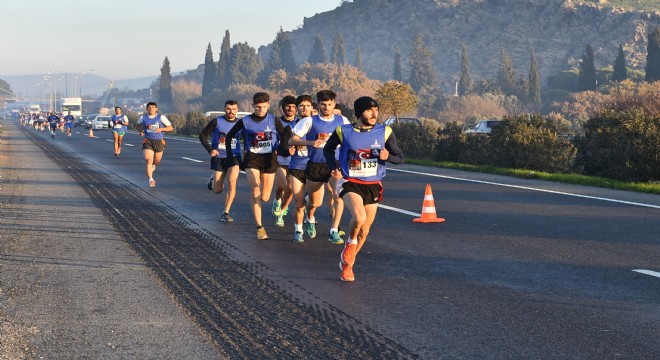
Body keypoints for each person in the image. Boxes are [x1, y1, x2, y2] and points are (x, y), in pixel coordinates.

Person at [324, 96, 403, 282]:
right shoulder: (344, 131)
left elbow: (399, 157)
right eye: (369, 110)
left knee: (364, 231)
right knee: (359, 217)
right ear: (359, 113)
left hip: (373, 184)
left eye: (376, 109)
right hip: (350, 181)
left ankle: (347, 264)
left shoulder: (385, 131)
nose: (374, 113)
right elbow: (328, 149)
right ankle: (349, 246)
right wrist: (332, 166)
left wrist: (388, 156)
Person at [290, 90, 350, 244]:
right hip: (315, 165)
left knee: (338, 196)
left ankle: (334, 231)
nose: (326, 107)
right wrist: (311, 143)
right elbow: (292, 140)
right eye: (323, 104)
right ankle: (310, 217)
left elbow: (352, 138)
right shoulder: (309, 121)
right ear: (318, 104)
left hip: (334, 165)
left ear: (334, 104)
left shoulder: (342, 120)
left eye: (330, 104)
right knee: (314, 203)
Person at [225, 92, 278, 240]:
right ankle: (259, 227)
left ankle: (271, 202)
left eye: (263, 107)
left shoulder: (273, 119)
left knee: (266, 197)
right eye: (258, 107)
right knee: (255, 189)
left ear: (268, 105)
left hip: (269, 158)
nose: (261, 110)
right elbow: (229, 136)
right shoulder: (246, 121)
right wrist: (230, 156)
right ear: (253, 106)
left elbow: (285, 134)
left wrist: (284, 149)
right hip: (252, 158)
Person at [199, 100, 243, 223]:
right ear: (224, 109)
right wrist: (210, 150)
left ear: (237, 110)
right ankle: (213, 179)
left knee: (232, 183)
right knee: (217, 190)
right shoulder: (217, 121)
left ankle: (226, 212)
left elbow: (249, 137)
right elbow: (202, 135)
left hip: (234, 156)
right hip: (219, 157)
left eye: (234, 109)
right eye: (229, 109)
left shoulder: (241, 123)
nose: (231, 111)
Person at [287, 95, 313, 242]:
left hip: (313, 167)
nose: (304, 108)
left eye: (307, 105)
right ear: (297, 109)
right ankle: (298, 229)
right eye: (301, 106)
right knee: (299, 202)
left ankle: (310, 218)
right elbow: (285, 145)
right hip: (296, 166)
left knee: (313, 202)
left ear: (312, 108)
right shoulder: (291, 126)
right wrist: (288, 150)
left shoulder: (317, 124)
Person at [271, 95, 298, 227]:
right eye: (288, 106)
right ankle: (277, 200)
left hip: (295, 161)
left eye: (293, 106)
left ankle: (281, 212)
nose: (291, 109)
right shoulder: (276, 122)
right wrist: (275, 148)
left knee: (290, 189)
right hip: (280, 159)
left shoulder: (300, 122)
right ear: (282, 108)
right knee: (282, 185)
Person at [135, 102, 173, 188]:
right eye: (149, 107)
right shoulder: (143, 118)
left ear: (156, 108)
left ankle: (154, 165)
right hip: (148, 141)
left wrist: (161, 129)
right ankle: (151, 179)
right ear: (147, 109)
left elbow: (171, 127)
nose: (151, 108)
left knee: (157, 161)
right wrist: (140, 131)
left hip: (159, 141)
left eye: (153, 107)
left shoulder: (161, 117)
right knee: (148, 160)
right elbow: (137, 125)